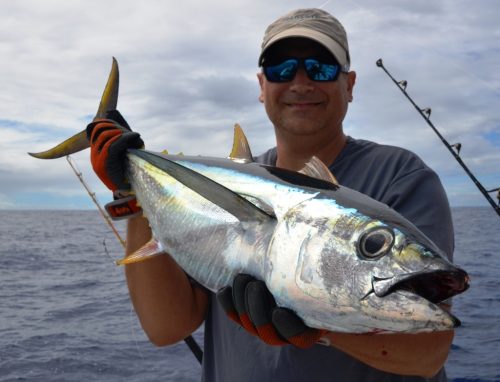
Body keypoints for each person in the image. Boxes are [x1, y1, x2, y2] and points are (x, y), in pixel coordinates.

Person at [87, 8, 456, 382]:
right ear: (262, 87)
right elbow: (166, 326)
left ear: (350, 84)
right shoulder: (224, 188)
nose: (300, 82)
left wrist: (317, 325)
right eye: (281, 69)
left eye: (321, 68)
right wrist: (132, 194)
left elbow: (427, 355)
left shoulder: (400, 176)